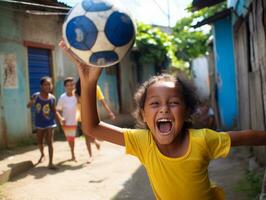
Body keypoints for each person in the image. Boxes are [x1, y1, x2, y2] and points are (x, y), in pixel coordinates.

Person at [60, 41, 266, 199]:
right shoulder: (143, 143)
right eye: (155, 104)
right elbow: (92, 127)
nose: (164, 109)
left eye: (174, 103)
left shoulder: (202, 140)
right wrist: (89, 82)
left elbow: (246, 136)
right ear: (142, 114)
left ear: (187, 112)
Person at [75, 79, 115, 162]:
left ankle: (95, 141)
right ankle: (90, 155)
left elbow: (102, 102)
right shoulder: (77, 91)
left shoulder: (96, 88)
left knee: (92, 134)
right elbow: (77, 104)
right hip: (82, 116)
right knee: (86, 136)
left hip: (92, 115)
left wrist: (110, 112)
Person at [27, 76, 58, 169]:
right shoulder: (36, 96)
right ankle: (42, 154)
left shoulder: (52, 98)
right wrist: (31, 102)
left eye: (49, 84)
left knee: (50, 142)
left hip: (50, 122)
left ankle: (51, 163)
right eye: (45, 84)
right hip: (39, 123)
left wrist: (60, 120)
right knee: (40, 142)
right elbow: (28, 106)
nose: (48, 86)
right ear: (41, 86)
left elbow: (54, 110)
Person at [56, 77, 77, 161]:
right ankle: (73, 154)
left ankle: (73, 155)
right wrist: (61, 118)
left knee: (73, 138)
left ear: (74, 86)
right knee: (70, 139)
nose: (70, 87)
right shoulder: (62, 97)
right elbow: (57, 110)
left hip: (76, 121)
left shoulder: (77, 96)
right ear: (65, 87)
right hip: (67, 122)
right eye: (68, 85)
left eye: (72, 85)